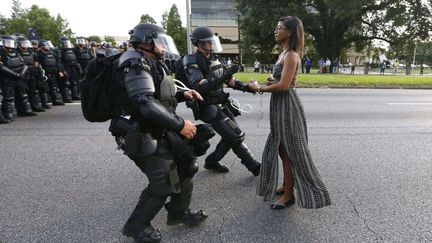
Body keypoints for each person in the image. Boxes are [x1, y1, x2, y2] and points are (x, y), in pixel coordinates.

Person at [110, 23, 208, 243]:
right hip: (140, 132)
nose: (163, 47)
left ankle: (178, 212)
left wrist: (184, 95)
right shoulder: (134, 63)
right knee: (163, 181)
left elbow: (158, 96)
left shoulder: (150, 62)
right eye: (160, 42)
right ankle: (136, 227)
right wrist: (180, 124)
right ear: (146, 41)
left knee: (187, 164)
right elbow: (144, 102)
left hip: (158, 128)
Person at [249, 16, 331, 210]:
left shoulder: (292, 55)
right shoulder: (283, 54)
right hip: (279, 105)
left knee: (289, 151)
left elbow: (285, 86)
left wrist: (258, 87)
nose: (276, 31)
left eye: (280, 28)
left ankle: (289, 195)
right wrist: (271, 81)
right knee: (280, 147)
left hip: (287, 106)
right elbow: (281, 81)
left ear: (290, 32)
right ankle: (287, 185)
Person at [182, 26, 261, 176]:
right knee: (235, 136)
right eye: (207, 43)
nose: (210, 45)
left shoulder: (214, 59)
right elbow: (200, 87)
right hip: (207, 107)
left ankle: (211, 161)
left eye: (212, 42)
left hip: (221, 104)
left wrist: (248, 88)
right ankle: (254, 167)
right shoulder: (191, 61)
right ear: (197, 43)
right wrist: (224, 76)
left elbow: (231, 81)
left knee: (230, 136)